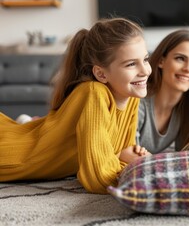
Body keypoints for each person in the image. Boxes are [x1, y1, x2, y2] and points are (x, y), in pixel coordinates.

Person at [0, 18, 152, 194]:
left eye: (146, 59)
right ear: (101, 74)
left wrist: (131, 158)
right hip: (9, 154)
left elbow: (116, 152)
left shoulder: (131, 95)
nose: (145, 70)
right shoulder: (94, 92)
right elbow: (98, 175)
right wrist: (143, 178)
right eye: (131, 64)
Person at [136, 29, 189, 153]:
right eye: (180, 58)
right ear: (161, 61)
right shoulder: (137, 102)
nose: (188, 69)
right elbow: (126, 155)